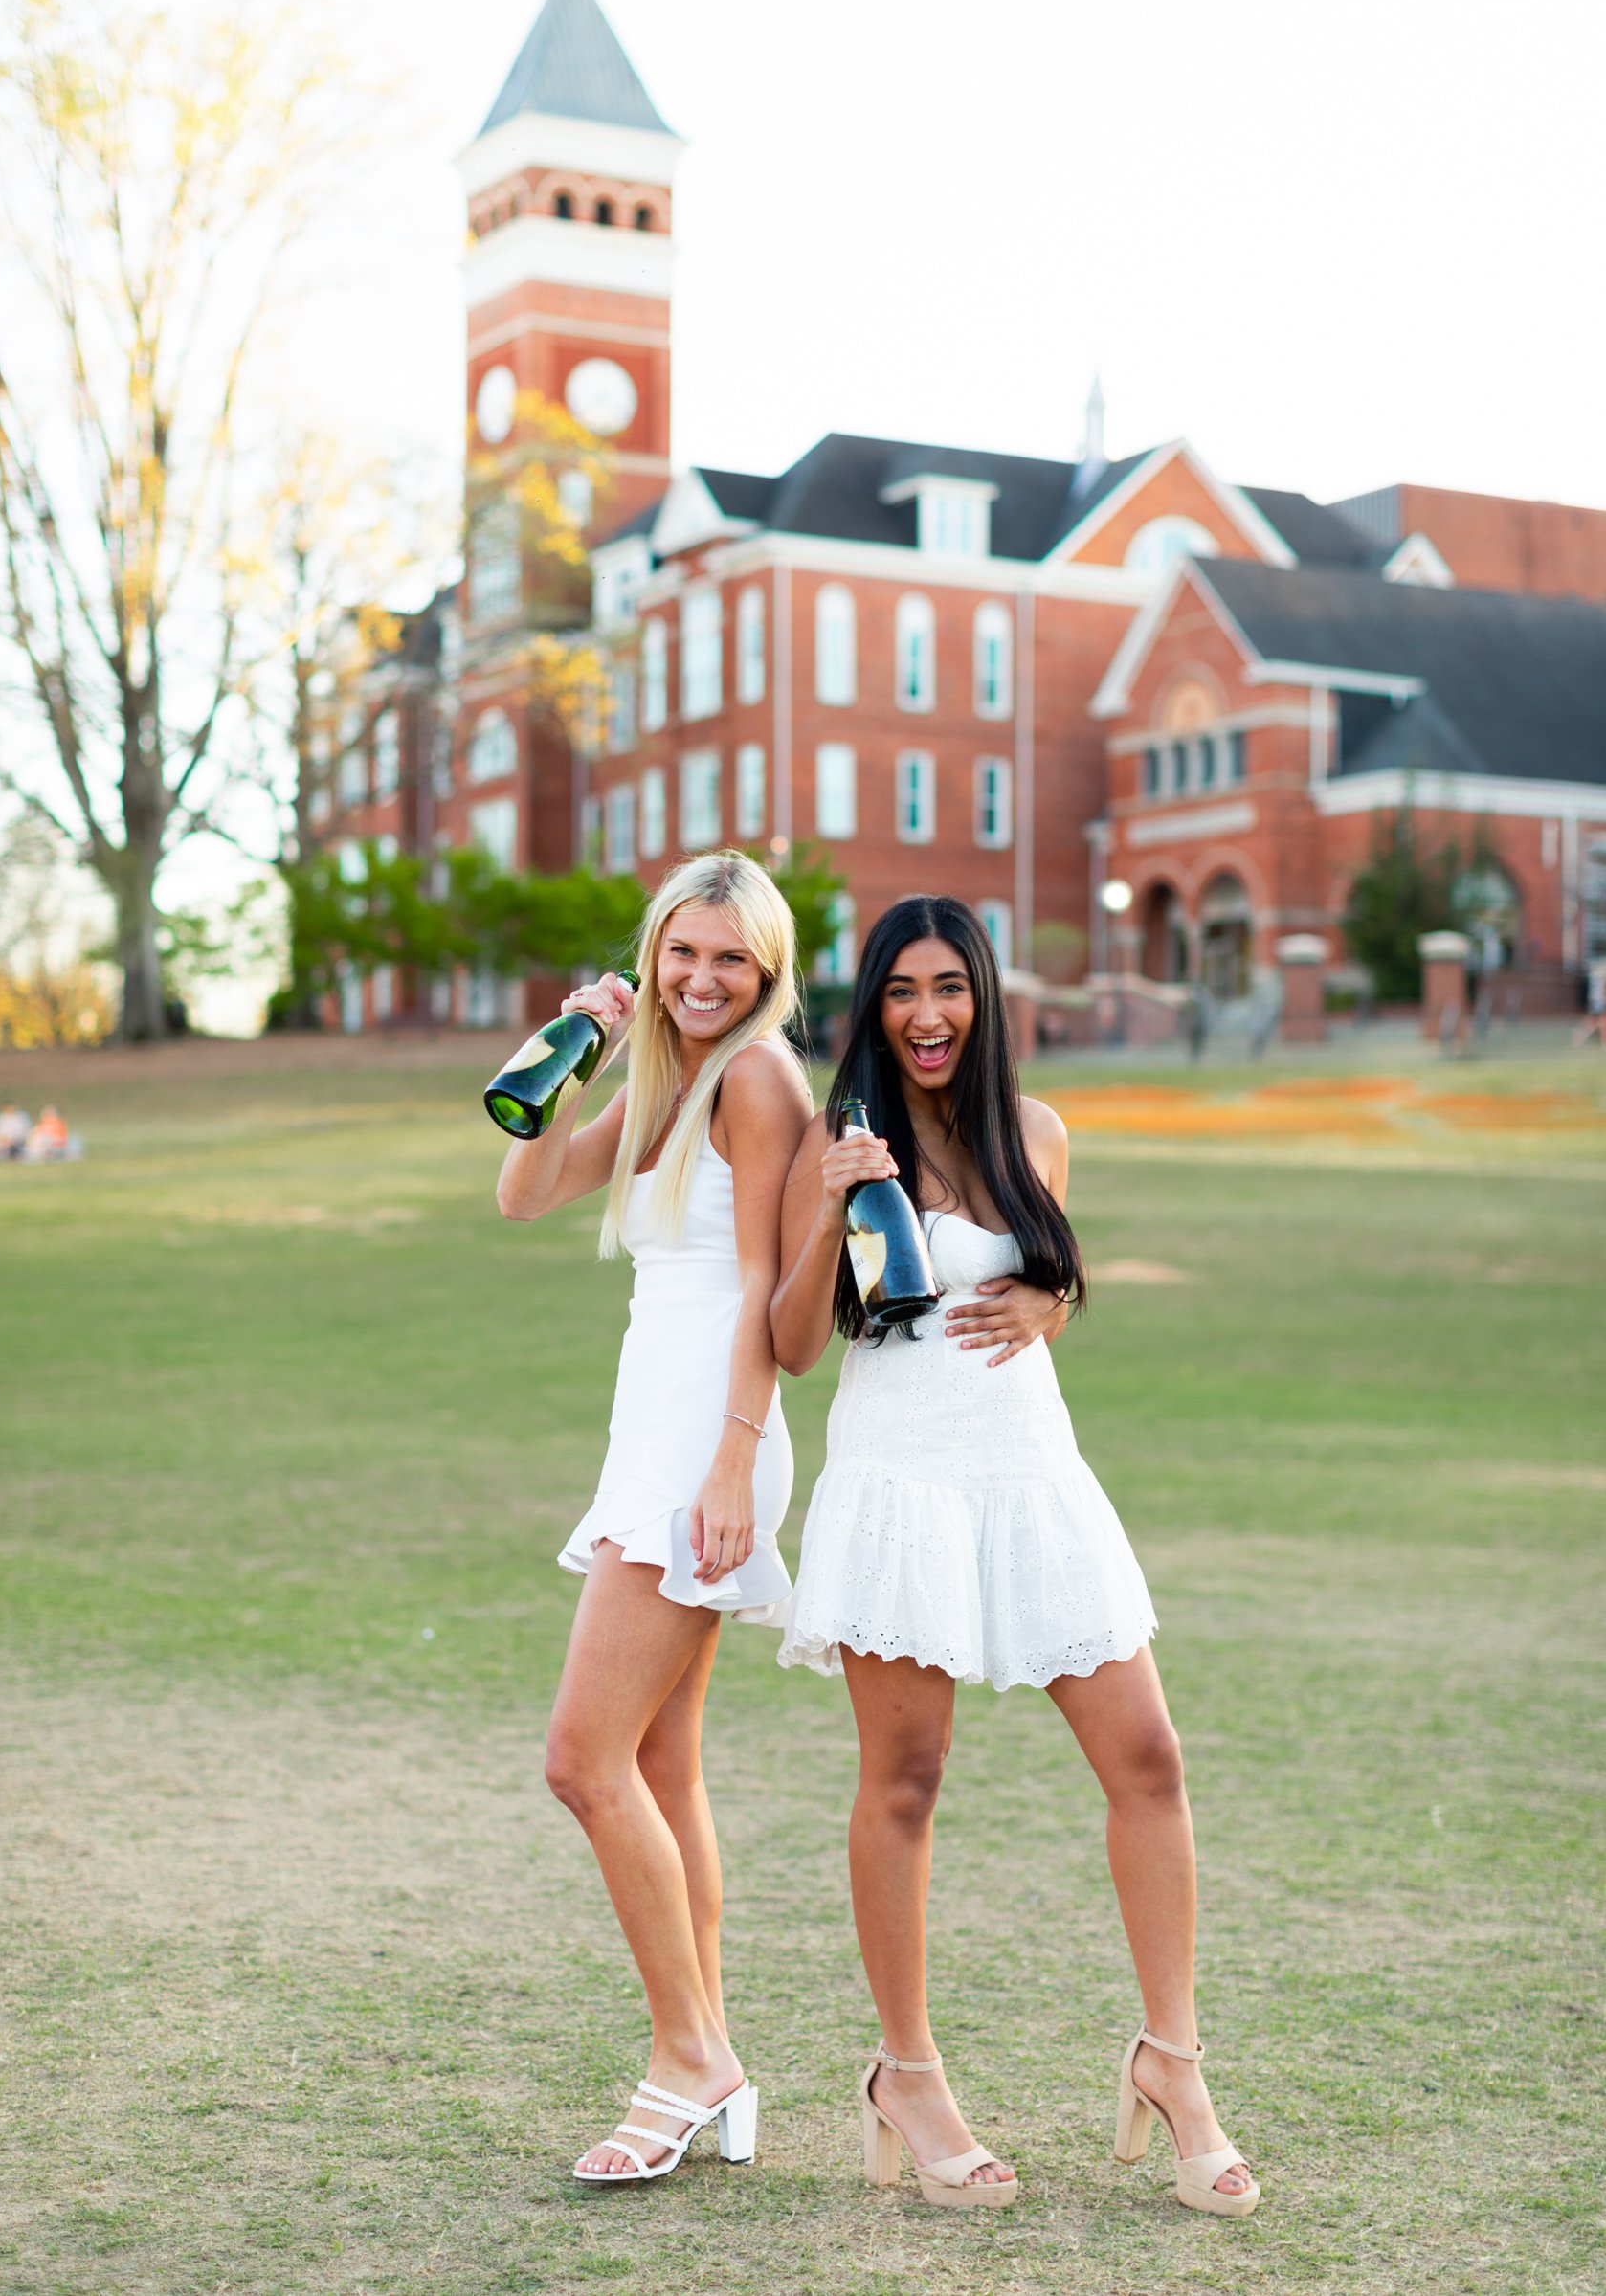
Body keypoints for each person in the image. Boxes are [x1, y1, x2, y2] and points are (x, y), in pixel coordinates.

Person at [771, 895, 1258, 2218]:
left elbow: (1043, 1284)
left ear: (983, 997)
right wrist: (825, 1213)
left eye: (949, 988)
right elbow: (793, 1344)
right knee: (907, 1780)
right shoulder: (836, 1139)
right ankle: (906, 2076)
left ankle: (1173, 2065)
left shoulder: (1034, 1132)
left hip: (1032, 1478)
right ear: (869, 1007)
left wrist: (1058, 1295)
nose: (926, 1016)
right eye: (899, 992)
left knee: (1148, 1759)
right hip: (898, 1482)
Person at [495, 851, 811, 2185]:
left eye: (729, 959)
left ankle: (690, 2057)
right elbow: (522, 1193)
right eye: (681, 954)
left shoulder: (755, 1078)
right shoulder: (668, 1076)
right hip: (654, 1431)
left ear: (767, 972)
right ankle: (710, 2055)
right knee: (662, 1768)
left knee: (582, 1759)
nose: (700, 979)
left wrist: (730, 1471)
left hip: (706, 1444)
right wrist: (570, 1050)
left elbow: (767, 1294)